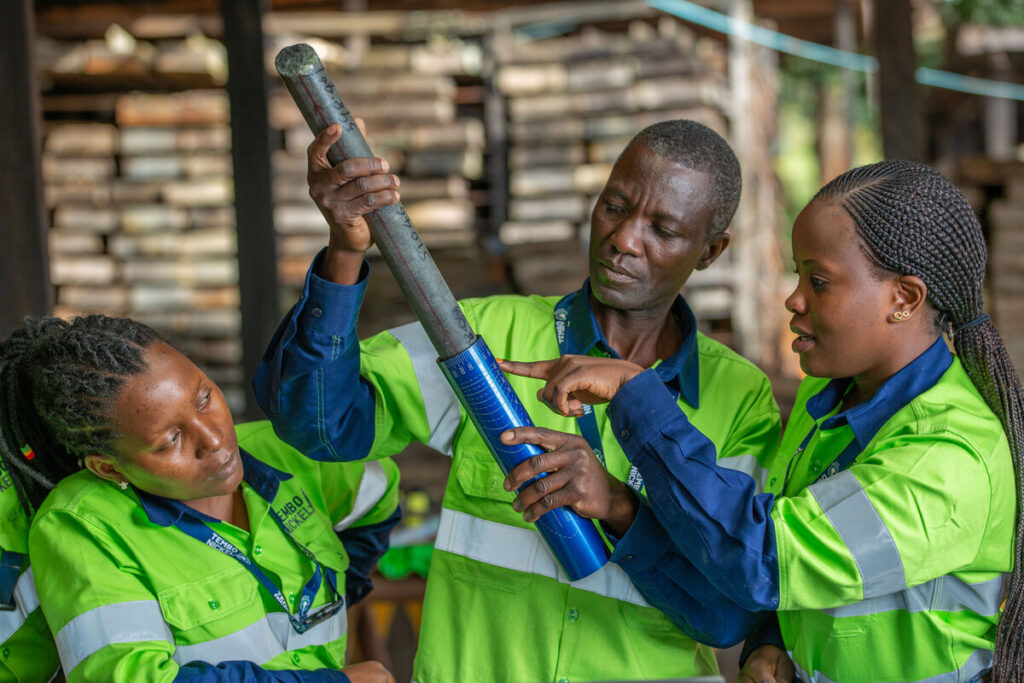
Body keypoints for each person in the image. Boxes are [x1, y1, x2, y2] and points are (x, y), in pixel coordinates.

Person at [254, 118, 782, 682]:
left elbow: (728, 612)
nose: (625, 238)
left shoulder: (740, 399)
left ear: (710, 251)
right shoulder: (480, 338)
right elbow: (321, 425)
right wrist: (343, 251)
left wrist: (622, 509)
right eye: (615, 206)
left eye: (664, 229)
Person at [498, 160, 1021, 683]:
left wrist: (640, 397)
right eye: (799, 275)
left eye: (819, 281)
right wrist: (773, 640)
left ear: (903, 299)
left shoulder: (947, 455)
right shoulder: (829, 399)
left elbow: (766, 559)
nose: (793, 300)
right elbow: (815, 555)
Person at [0, 314, 401, 683]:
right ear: (109, 468)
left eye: (204, 397)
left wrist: (341, 601)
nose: (214, 439)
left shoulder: (291, 450)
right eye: (171, 439)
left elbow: (377, 497)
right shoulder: (81, 526)